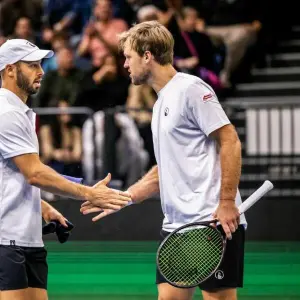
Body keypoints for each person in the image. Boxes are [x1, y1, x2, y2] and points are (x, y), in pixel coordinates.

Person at [81, 21, 246, 300]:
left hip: (211, 221)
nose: (125, 65)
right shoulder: (159, 103)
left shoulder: (192, 89)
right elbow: (164, 170)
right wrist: (125, 197)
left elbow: (230, 141)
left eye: (128, 56)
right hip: (176, 226)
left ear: (147, 55)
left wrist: (227, 202)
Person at [0, 39, 131, 300]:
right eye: (32, 65)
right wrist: (88, 193)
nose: (41, 71)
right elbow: (34, 173)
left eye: (40, 64)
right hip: (6, 239)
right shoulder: (6, 113)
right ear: (10, 70)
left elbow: (15, 172)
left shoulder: (20, 111)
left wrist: (44, 208)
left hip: (27, 238)